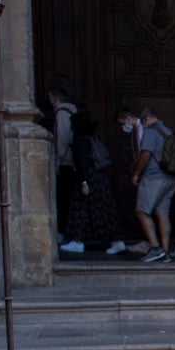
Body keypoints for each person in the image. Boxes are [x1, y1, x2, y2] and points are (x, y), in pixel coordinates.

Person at [62, 107, 125, 255]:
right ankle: (116, 241)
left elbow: (83, 163)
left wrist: (84, 182)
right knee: (104, 210)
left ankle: (77, 240)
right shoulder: (92, 138)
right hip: (99, 178)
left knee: (80, 210)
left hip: (88, 178)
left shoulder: (80, 141)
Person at [129, 108, 175, 263]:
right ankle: (166, 251)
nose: (143, 125)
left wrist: (136, 173)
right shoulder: (167, 130)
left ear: (147, 118)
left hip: (154, 178)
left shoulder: (150, 131)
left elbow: (146, 154)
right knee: (163, 215)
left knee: (142, 211)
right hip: (170, 178)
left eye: (143, 122)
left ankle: (155, 248)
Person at [49, 87, 80, 246]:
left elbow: (62, 138)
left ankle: (63, 233)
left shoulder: (61, 113)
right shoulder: (73, 112)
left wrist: (59, 160)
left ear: (54, 98)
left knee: (63, 200)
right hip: (74, 163)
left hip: (66, 163)